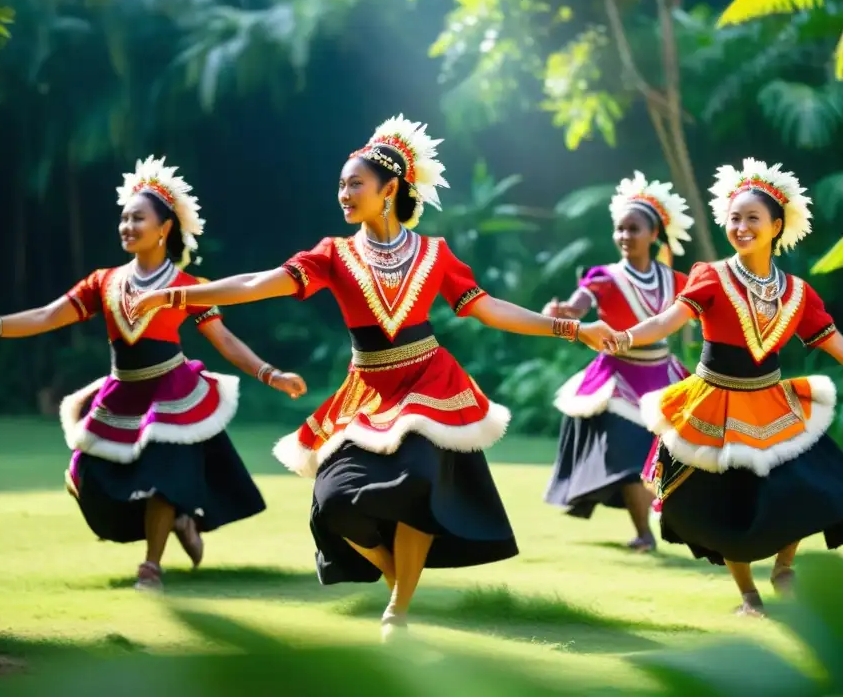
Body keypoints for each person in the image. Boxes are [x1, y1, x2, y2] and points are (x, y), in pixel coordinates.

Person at [127, 115, 617, 639]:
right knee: (334, 502)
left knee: (423, 482)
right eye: (340, 184)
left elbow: (491, 309)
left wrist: (572, 328)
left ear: (388, 191)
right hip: (366, 392)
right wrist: (176, 294)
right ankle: (398, 580)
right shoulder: (332, 254)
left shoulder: (435, 253)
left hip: (431, 384)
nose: (343, 192)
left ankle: (399, 611)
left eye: (354, 183)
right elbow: (254, 283)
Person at [603, 158, 843, 616]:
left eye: (752, 218)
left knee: (803, 485)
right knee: (728, 504)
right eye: (734, 218)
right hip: (714, 403)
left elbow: (842, 348)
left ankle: (784, 567)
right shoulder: (710, 276)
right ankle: (749, 597)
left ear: (776, 225)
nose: (740, 226)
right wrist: (624, 337)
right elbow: (666, 320)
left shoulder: (798, 292)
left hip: (772, 402)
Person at [0, 156, 306, 591]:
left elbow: (226, 341)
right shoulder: (102, 282)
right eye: (123, 217)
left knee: (163, 475)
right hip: (121, 392)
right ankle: (178, 519)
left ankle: (151, 566)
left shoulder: (189, 286)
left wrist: (271, 374)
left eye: (138, 218)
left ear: (164, 229)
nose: (127, 225)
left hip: (171, 392)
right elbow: (47, 316)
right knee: (82, 478)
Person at [541, 172, 693, 550]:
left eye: (634, 229)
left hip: (663, 374)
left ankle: (685, 525)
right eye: (620, 229)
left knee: (673, 456)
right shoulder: (604, 277)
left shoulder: (675, 280)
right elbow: (579, 305)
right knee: (628, 456)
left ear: (653, 234)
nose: (625, 236)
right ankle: (644, 533)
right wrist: (564, 312)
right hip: (617, 377)